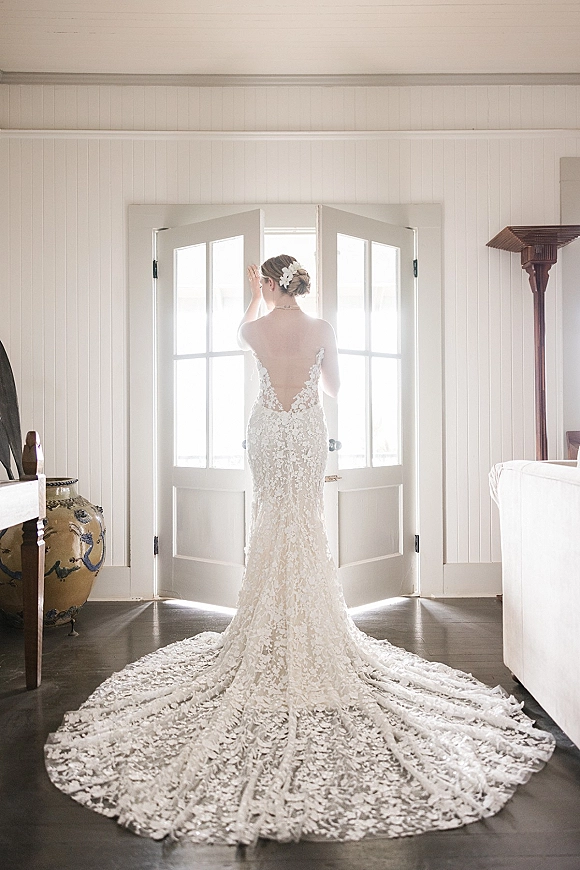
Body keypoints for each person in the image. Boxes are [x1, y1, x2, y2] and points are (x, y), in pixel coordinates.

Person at [44, 255, 554, 846]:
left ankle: (266, 624)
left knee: (271, 521)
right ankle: (308, 621)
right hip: (306, 432)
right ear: (300, 284)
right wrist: (309, 354)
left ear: (267, 283)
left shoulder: (254, 328)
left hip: (267, 432)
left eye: (261, 283)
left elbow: (243, 329)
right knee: (305, 523)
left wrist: (253, 299)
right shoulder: (323, 328)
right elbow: (334, 386)